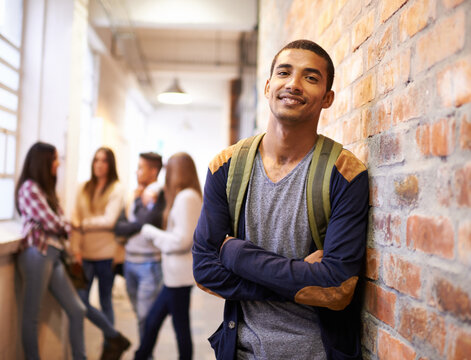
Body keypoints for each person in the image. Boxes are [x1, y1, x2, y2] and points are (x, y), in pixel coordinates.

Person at [192, 39, 369, 360]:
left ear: (328, 98)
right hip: (239, 351)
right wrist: (300, 274)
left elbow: (336, 289)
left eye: (310, 78)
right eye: (284, 73)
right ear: (268, 85)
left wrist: (235, 253)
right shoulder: (226, 166)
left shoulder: (345, 173)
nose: (293, 84)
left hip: (317, 352)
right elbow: (205, 270)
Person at [15, 142, 87, 360]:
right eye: (55, 159)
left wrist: (64, 224)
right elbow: (53, 223)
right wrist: (66, 226)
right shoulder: (29, 188)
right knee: (31, 316)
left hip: (53, 254)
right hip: (37, 253)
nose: (58, 163)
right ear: (44, 162)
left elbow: (59, 221)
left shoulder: (45, 190)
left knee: (77, 310)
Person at [134, 153, 202, 360]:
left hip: (178, 277)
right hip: (174, 276)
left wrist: (150, 232)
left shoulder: (187, 197)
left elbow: (182, 240)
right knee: (158, 322)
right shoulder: (187, 196)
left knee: (173, 325)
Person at [71, 147, 130, 359]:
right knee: (80, 302)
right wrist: (76, 249)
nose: (99, 164)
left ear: (110, 164)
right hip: (83, 256)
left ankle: (109, 348)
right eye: (96, 160)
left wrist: (84, 224)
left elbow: (109, 220)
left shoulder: (117, 188)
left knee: (105, 300)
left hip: (106, 254)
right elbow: (74, 219)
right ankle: (114, 336)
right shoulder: (83, 188)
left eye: (104, 161)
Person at [114, 152, 166, 341]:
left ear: (153, 171)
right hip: (129, 262)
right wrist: (137, 204)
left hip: (148, 264)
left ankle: (145, 354)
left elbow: (147, 220)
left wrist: (137, 205)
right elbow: (118, 227)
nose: (137, 172)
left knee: (145, 316)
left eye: (141, 167)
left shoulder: (158, 193)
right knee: (140, 316)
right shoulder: (134, 194)